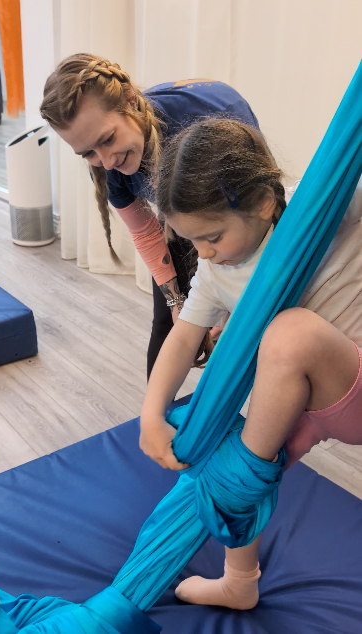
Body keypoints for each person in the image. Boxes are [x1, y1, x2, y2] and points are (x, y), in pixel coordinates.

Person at [139, 118, 362, 610]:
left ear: (263, 202)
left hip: (353, 381)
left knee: (289, 333)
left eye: (212, 236)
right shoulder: (217, 273)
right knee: (221, 447)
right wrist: (151, 413)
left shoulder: (321, 209)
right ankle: (239, 580)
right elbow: (183, 338)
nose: (203, 253)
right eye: (190, 241)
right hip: (301, 404)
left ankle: (240, 474)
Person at [40, 53, 259, 377]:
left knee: (246, 314)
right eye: (87, 152)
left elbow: (241, 221)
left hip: (235, 201)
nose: (106, 159)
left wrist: (229, 300)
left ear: (130, 102)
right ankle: (152, 416)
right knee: (168, 320)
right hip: (184, 211)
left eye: (107, 139)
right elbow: (145, 233)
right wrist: (176, 302)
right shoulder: (107, 165)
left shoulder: (199, 129)